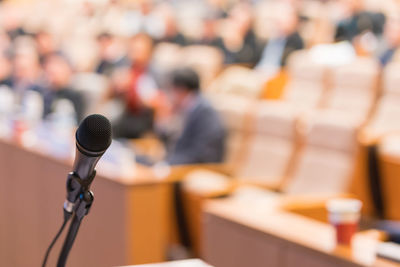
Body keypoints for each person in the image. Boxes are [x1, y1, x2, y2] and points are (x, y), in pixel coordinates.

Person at [164, 67, 225, 165]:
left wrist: (167, 165)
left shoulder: (205, 112)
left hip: (200, 166)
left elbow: (203, 153)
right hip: (182, 162)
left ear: (180, 90)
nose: (169, 95)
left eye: (170, 90)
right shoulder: (189, 107)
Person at [111, 33, 160, 139]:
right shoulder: (125, 69)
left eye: (139, 50)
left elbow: (160, 102)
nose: (135, 54)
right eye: (132, 50)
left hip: (145, 117)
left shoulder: (156, 72)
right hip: (125, 114)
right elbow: (110, 94)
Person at [255, 3, 304, 79]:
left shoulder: (296, 41)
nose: (279, 21)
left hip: (276, 76)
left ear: (294, 20)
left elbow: (288, 66)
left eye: (285, 17)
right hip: (260, 71)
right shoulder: (273, 37)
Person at [42, 53, 85, 123]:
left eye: (54, 73)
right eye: (49, 73)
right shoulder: (46, 93)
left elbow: (78, 123)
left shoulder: (75, 95)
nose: (51, 78)